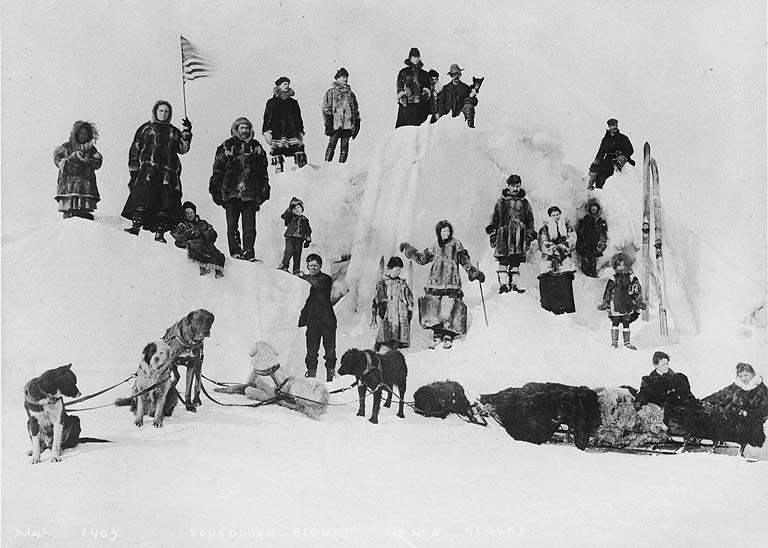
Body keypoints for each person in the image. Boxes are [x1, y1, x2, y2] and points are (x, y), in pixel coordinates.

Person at [400, 220, 485, 349]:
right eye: (443, 231)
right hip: (435, 282)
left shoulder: (456, 244)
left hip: (451, 282)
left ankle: (448, 335)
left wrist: (473, 272)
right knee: (434, 310)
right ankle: (437, 334)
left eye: (448, 230)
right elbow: (422, 258)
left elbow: (464, 260)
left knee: (449, 309)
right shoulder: (435, 246)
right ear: (439, 232)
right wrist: (410, 250)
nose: (446, 233)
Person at [121, 100, 192, 241]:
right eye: (161, 111)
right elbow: (135, 148)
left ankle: (159, 233)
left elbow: (183, 149)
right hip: (148, 172)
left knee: (164, 203)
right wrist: (134, 170)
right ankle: (135, 227)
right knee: (142, 200)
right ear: (155, 111)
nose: (163, 114)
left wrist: (187, 133)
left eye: (166, 112)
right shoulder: (146, 128)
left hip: (168, 174)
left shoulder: (173, 131)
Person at [209, 117, 271, 262]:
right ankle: (235, 252)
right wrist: (216, 190)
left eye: (247, 128)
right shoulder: (226, 146)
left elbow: (263, 172)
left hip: (251, 193)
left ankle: (249, 252)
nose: (244, 131)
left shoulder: (257, 147)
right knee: (232, 225)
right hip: (231, 193)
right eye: (241, 128)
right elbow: (218, 170)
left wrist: (264, 190)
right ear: (236, 130)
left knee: (250, 227)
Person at [668, 362, 768, 448]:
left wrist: (745, 414)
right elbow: (719, 395)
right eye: (741, 376)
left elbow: (762, 412)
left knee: (701, 414)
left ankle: (683, 417)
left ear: (752, 374)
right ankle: (684, 410)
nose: (743, 378)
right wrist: (704, 402)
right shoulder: (736, 386)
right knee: (696, 408)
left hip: (741, 423)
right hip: (724, 415)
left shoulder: (760, 391)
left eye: (746, 375)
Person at [485, 175, 536, 294]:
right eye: (513, 186)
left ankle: (515, 284)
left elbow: (530, 219)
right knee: (503, 260)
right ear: (508, 186)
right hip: (504, 235)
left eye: (518, 186)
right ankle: (503, 284)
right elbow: (495, 218)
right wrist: (493, 234)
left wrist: (528, 236)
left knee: (515, 261)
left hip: (519, 236)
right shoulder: (501, 202)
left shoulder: (524, 203)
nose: (515, 188)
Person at [298, 254, 337, 381]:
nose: (313, 268)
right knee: (311, 353)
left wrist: (301, 277)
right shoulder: (305, 280)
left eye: (315, 265)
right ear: (307, 266)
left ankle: (330, 379)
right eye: (310, 266)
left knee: (330, 353)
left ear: (320, 266)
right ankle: (311, 379)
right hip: (312, 322)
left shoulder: (326, 279)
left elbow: (314, 284)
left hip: (327, 322)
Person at [53, 120, 102, 220]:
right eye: (81, 133)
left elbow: (97, 162)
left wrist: (87, 161)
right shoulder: (66, 147)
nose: (83, 136)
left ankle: (83, 213)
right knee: (71, 210)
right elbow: (58, 160)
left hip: (86, 186)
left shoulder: (91, 149)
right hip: (69, 185)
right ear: (76, 134)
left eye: (85, 134)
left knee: (84, 212)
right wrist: (72, 158)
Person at [597, 252, 646, 349]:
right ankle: (614, 342)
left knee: (626, 322)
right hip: (616, 304)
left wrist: (638, 300)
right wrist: (605, 301)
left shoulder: (632, 278)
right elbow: (608, 290)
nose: (621, 267)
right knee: (615, 322)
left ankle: (627, 343)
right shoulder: (613, 278)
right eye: (619, 265)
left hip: (627, 304)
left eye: (623, 265)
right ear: (615, 266)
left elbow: (637, 290)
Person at [170, 202, 226, 278]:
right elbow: (176, 235)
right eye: (187, 213)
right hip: (194, 243)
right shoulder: (183, 225)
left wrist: (207, 234)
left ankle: (218, 270)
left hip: (205, 243)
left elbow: (213, 235)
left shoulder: (203, 223)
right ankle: (204, 267)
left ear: (195, 212)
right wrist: (188, 234)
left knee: (215, 251)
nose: (190, 215)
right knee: (198, 249)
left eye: (191, 212)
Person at [262, 76, 306, 172]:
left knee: (298, 149)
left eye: (288, 84)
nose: (287, 86)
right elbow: (267, 117)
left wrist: (300, 130)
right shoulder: (272, 102)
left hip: (292, 131)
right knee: (277, 150)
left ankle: (302, 170)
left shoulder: (293, 102)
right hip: (278, 130)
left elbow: (298, 118)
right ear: (278, 86)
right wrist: (266, 131)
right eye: (284, 84)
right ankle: (278, 171)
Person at [372, 256, 414, 352]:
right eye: (396, 268)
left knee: (398, 333)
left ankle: (394, 347)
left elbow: (409, 297)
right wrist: (382, 306)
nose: (398, 271)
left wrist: (409, 309)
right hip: (389, 313)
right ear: (390, 269)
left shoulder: (402, 284)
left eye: (400, 269)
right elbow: (380, 296)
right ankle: (380, 347)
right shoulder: (384, 283)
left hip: (400, 313)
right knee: (386, 333)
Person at [634, 351, 700, 411]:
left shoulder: (676, 378)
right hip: (659, 408)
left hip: (675, 406)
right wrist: (638, 402)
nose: (666, 367)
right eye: (663, 364)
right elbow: (643, 392)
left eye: (667, 364)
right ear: (656, 365)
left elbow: (686, 393)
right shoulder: (649, 380)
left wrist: (692, 402)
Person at [322, 67, 361, 163]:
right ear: (337, 79)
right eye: (343, 77)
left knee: (344, 146)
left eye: (346, 77)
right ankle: (327, 164)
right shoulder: (331, 92)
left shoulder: (351, 94)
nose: (345, 79)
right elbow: (326, 108)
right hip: (336, 124)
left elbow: (355, 110)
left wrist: (357, 123)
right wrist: (328, 122)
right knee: (332, 144)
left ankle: (341, 166)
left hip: (347, 124)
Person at [588, 118, 635, 190]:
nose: (615, 127)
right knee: (598, 171)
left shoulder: (623, 138)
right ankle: (593, 187)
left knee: (618, 172)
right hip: (608, 161)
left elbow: (630, 150)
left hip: (620, 160)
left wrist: (622, 154)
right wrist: (596, 161)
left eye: (616, 125)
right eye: (612, 126)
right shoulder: (606, 140)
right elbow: (601, 152)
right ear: (609, 127)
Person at [395, 47, 432, 128]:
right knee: (404, 130)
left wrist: (425, 94)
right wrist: (402, 97)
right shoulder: (403, 72)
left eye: (417, 57)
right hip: (406, 106)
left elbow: (427, 87)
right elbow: (399, 86)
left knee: (418, 129)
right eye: (414, 57)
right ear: (410, 58)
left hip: (420, 106)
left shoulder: (424, 73)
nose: (416, 59)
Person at [537, 206, 577, 274]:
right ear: (550, 216)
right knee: (549, 278)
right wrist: (554, 249)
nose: (556, 217)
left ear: (560, 214)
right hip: (549, 257)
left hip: (565, 256)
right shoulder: (545, 228)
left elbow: (572, 239)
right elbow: (542, 242)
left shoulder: (567, 226)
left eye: (557, 214)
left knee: (565, 278)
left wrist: (561, 248)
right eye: (553, 215)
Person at [575, 198, 608, 277]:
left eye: (595, 210)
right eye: (592, 209)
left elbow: (603, 233)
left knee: (593, 259)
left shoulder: (600, 221)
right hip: (586, 243)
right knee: (586, 258)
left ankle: (593, 272)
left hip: (595, 243)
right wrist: (582, 242)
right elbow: (580, 232)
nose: (594, 211)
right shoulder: (584, 220)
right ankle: (585, 274)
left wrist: (601, 242)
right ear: (589, 210)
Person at [280, 197, 312, 274]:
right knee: (288, 252)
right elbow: (284, 216)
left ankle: (296, 270)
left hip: (299, 239)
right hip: (290, 238)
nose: (297, 209)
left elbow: (308, 230)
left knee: (297, 254)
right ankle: (285, 266)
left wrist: (308, 239)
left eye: (299, 207)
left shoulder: (305, 220)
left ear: (302, 208)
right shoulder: (290, 217)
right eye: (295, 208)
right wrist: (289, 209)